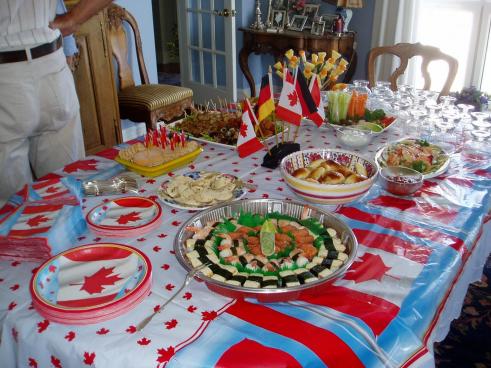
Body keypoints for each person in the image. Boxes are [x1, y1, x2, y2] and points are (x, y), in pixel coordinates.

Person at [0, 0, 113, 207]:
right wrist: (74, 17)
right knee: (69, 189)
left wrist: (73, 18)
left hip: (7, 75)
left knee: (11, 206)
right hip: (51, 63)